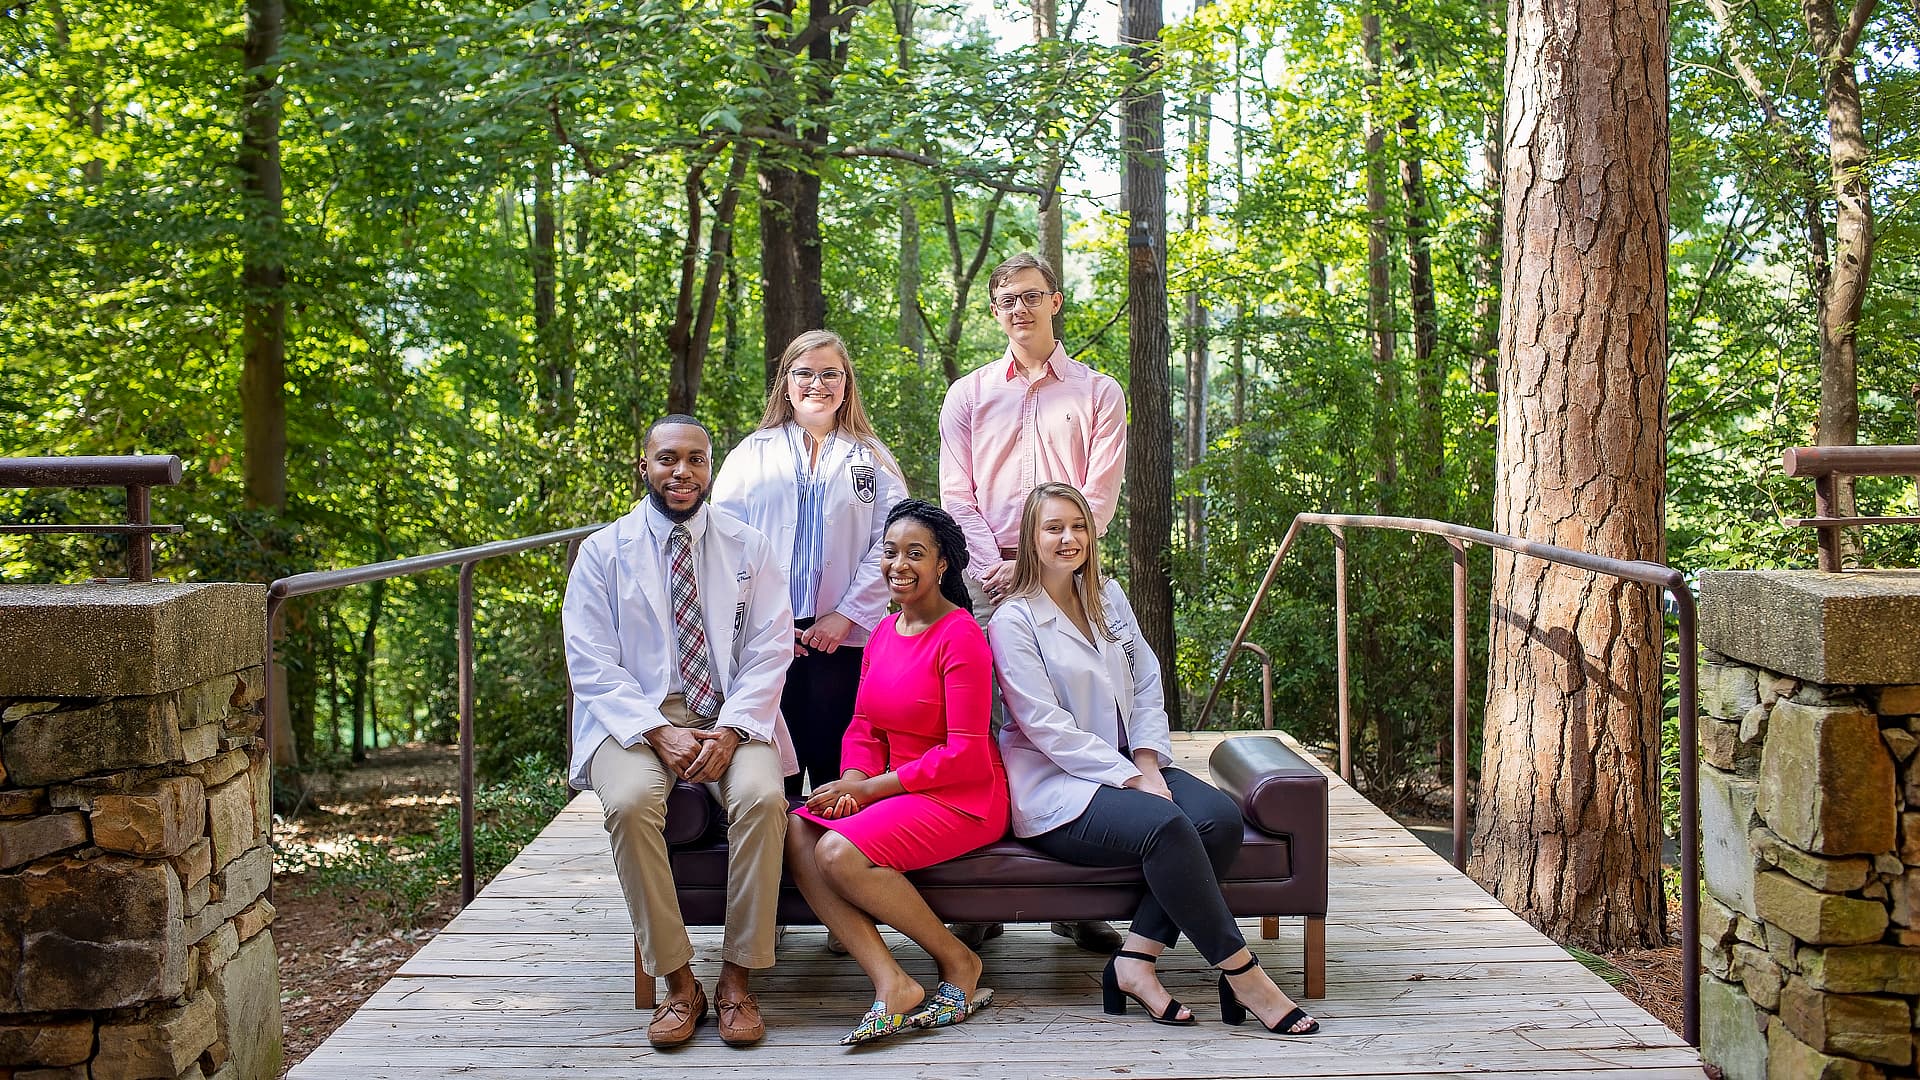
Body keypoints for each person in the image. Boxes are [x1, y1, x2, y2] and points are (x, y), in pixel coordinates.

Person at [989, 483, 1321, 1036]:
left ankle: (1135, 962)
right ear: (1030, 538)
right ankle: (1243, 973)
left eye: (1078, 525)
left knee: (1217, 819)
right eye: (1053, 528)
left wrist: (1145, 764)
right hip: (1058, 785)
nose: (1068, 538)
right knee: (1168, 825)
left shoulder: (1108, 598)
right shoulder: (1014, 621)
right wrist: (1131, 779)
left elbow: (1146, 682)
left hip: (1128, 762)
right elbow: (1046, 728)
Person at [562, 414, 794, 1049]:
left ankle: (738, 981)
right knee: (633, 802)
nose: (681, 471)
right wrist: (655, 730)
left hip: (730, 715)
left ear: (710, 466)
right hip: (632, 718)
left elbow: (770, 649)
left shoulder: (748, 545)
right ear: (645, 466)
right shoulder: (603, 552)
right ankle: (678, 980)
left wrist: (734, 727)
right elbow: (589, 658)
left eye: (695, 458)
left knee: (763, 797)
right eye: (668, 458)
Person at [938, 250, 1127, 955]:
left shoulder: (1097, 393)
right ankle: (982, 895)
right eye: (1007, 299)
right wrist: (992, 570)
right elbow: (957, 493)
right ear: (995, 311)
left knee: (1084, 720)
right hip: (989, 585)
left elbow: (1097, 495)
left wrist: (1056, 563)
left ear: (1055, 303)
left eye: (1032, 296)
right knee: (988, 731)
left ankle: (1080, 898)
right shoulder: (968, 394)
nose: (1019, 308)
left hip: (1073, 576)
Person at [784, 500, 1011, 1045]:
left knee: (838, 853)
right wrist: (852, 784)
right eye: (890, 552)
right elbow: (864, 724)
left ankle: (958, 961)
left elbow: (965, 753)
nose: (899, 565)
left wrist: (869, 789)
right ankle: (892, 980)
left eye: (916, 553)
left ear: (943, 566)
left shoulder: (961, 636)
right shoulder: (884, 630)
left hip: (963, 796)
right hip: (896, 790)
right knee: (797, 827)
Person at [712, 329, 908, 801]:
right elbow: (724, 544)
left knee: (833, 765)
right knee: (768, 768)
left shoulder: (874, 459)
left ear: (847, 385)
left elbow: (892, 541)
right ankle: (776, 871)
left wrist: (844, 617)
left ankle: (827, 865)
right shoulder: (750, 455)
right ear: (786, 382)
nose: (817, 384)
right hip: (764, 638)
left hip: (841, 639)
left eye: (830, 374)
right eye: (805, 373)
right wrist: (768, 623)